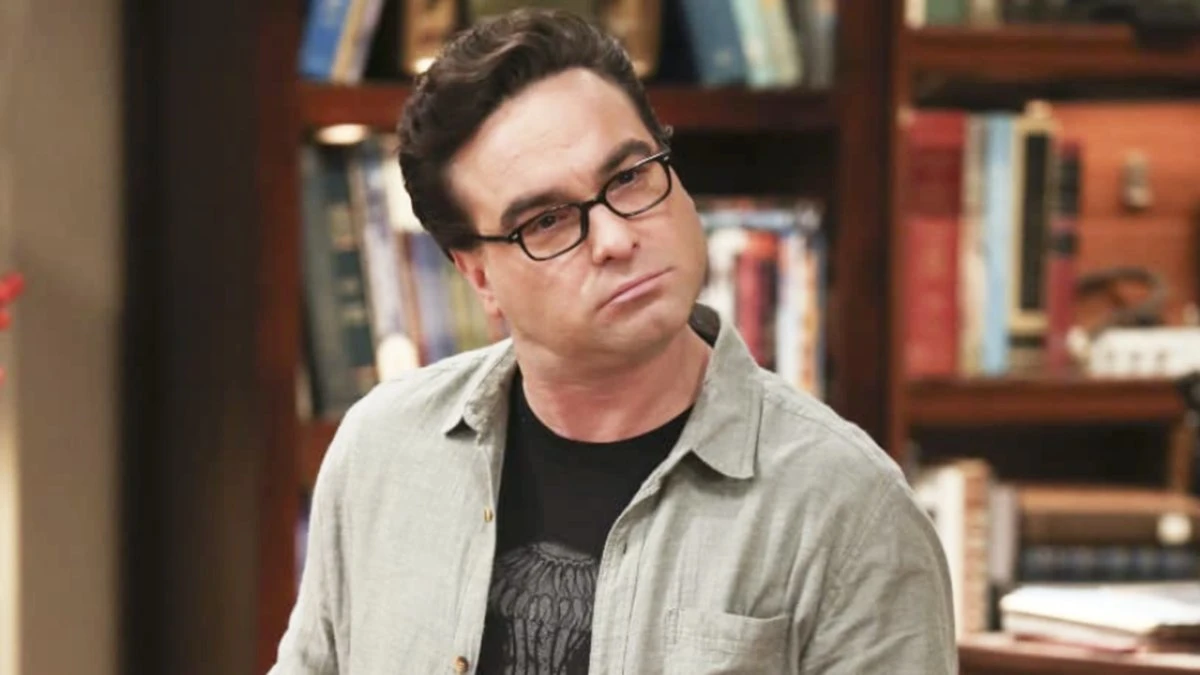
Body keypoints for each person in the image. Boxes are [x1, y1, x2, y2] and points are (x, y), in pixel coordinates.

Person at [271, 9, 955, 674]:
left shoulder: (848, 508)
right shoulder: (381, 451)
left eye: (629, 178)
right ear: (479, 275)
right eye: (547, 220)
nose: (616, 238)